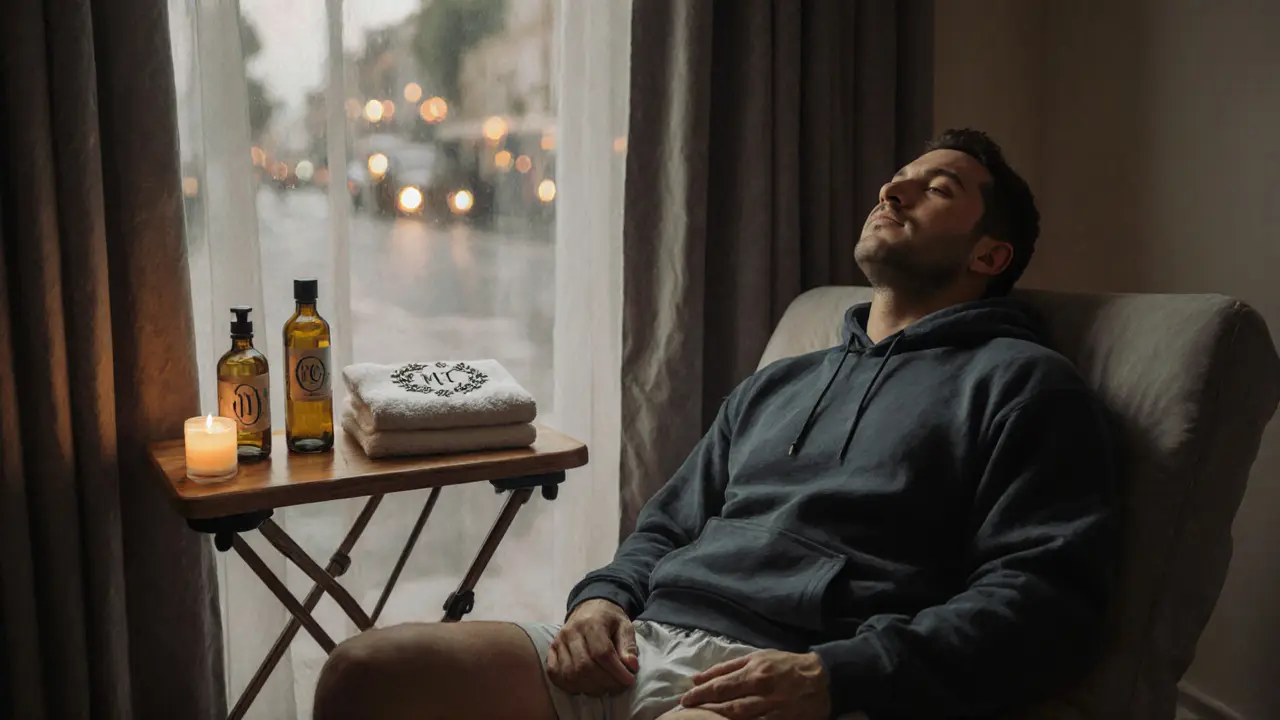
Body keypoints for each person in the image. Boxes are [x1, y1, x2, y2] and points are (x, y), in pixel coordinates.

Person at [312, 129, 1118, 720]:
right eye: (898, 178)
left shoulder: (1022, 384)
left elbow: (1047, 601)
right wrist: (600, 603)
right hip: (646, 642)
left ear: (989, 256)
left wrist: (839, 674)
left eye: (937, 188)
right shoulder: (781, 383)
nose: (892, 191)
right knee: (365, 674)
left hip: (795, 675)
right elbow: (667, 525)